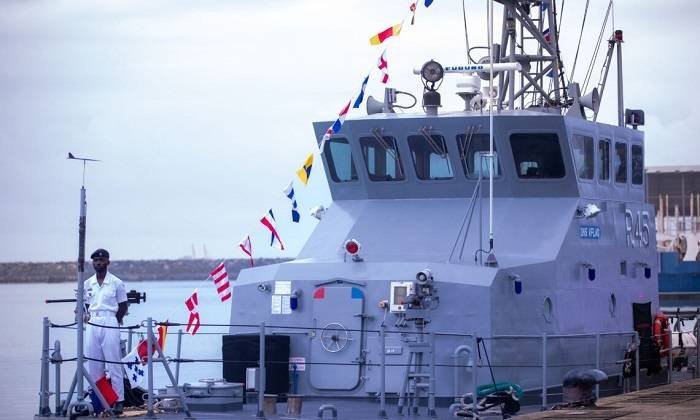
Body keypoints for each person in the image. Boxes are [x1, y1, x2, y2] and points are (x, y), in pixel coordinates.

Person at [83, 248, 128, 414]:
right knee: (94, 365)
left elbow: (123, 306)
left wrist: (114, 322)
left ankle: (119, 401)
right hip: (93, 321)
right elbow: (86, 305)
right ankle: (101, 401)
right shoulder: (88, 283)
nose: (98, 263)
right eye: (95, 261)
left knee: (113, 362)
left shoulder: (116, 282)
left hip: (110, 320)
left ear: (108, 262)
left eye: (101, 261)